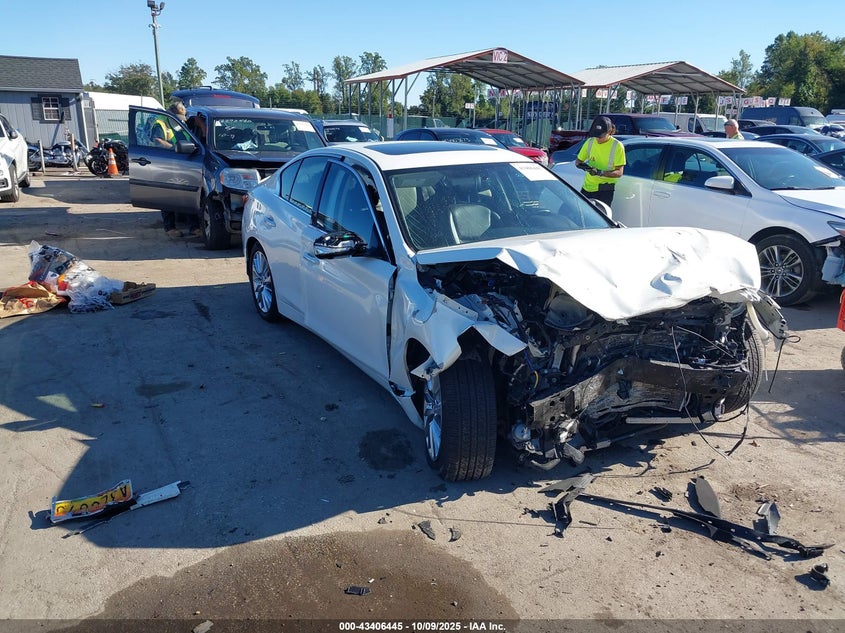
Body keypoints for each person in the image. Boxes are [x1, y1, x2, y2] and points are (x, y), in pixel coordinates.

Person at [575, 116, 626, 206]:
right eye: (596, 135)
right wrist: (584, 167)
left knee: (601, 218)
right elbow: (578, 161)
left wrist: (600, 172)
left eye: (601, 135)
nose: (598, 138)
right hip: (587, 188)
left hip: (605, 190)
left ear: (610, 132)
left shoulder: (617, 146)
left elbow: (619, 172)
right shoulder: (590, 142)